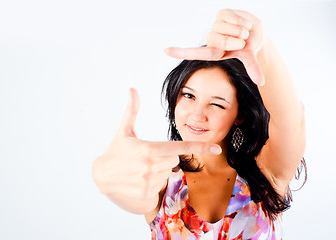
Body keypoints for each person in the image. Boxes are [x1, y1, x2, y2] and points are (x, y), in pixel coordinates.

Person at [92, 9, 306, 239]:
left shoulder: (267, 172)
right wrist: (103, 175)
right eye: (189, 96)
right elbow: (134, 194)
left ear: (240, 115)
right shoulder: (159, 177)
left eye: (217, 104)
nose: (197, 115)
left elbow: (290, 120)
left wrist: (262, 47)